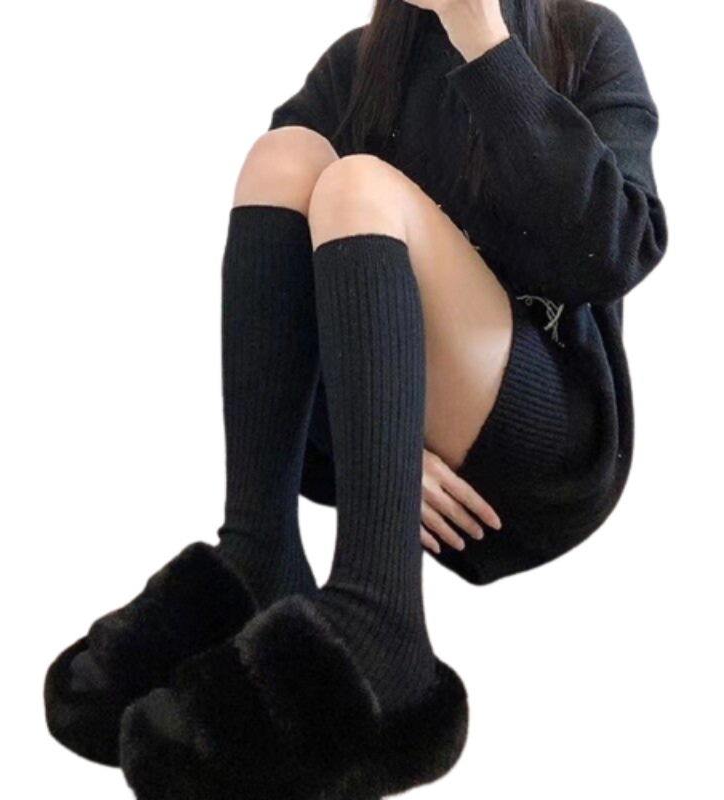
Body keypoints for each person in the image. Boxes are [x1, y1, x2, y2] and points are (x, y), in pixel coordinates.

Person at [44, 1, 668, 796]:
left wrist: (485, 42)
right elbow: (288, 313)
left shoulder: (588, 39)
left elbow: (610, 255)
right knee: (285, 157)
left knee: (357, 183)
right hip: (390, 454)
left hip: (541, 443)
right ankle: (259, 556)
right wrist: (383, 445)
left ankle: (384, 628)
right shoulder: (360, 62)